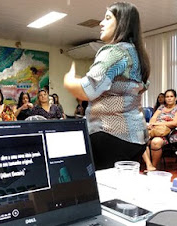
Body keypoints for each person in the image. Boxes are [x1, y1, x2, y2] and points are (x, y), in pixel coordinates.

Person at [63, 2, 150, 170]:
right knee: (122, 191)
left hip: (111, 135)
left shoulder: (114, 52)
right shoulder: (138, 54)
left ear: (122, 23)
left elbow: (86, 91)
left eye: (108, 18)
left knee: (106, 191)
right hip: (137, 138)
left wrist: (69, 81)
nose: (101, 23)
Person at [142, 89, 177, 171]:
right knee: (141, 140)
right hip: (154, 131)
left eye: (171, 96)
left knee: (156, 142)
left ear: (175, 98)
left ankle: (154, 166)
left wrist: (157, 124)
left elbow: (174, 123)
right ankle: (149, 165)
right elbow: (153, 118)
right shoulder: (161, 107)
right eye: (167, 96)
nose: (169, 98)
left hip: (169, 134)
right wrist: (151, 124)